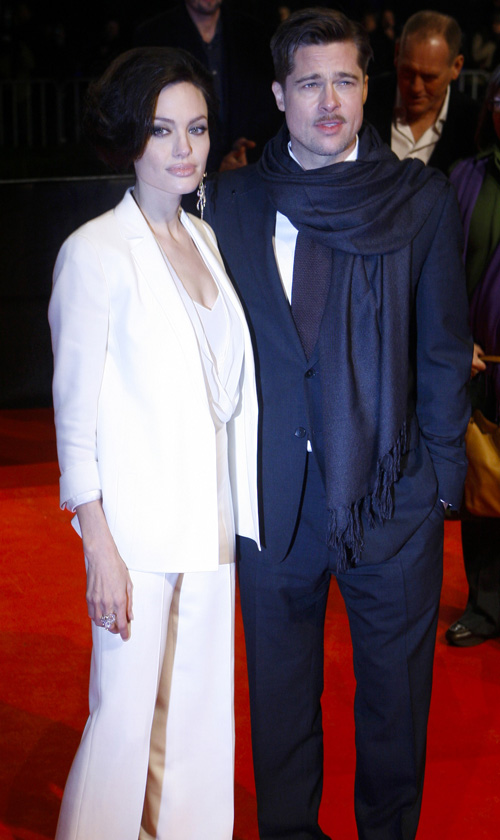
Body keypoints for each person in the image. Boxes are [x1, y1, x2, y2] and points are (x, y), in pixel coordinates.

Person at [204, 8, 472, 840]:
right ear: (279, 93)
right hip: (274, 502)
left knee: (395, 706)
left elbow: (443, 350)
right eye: (310, 83)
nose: (329, 101)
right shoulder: (231, 203)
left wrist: (439, 488)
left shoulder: (420, 201)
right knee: (281, 705)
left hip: (390, 495)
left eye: (345, 81)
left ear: (365, 89)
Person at [48, 46, 259, 840]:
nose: (184, 148)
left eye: (197, 129)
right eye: (163, 130)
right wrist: (97, 544)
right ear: (128, 137)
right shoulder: (94, 251)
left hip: (210, 523)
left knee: (199, 723)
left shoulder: (204, 239)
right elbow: (74, 419)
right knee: (124, 722)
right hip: (134, 535)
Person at [446, 65, 500, 647]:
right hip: (484, 364)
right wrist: (457, 342)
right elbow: (446, 276)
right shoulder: (466, 177)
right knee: (484, 485)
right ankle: (484, 606)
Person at [135, 1, 281, 171]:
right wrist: (215, 162)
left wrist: (247, 149)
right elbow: (145, 115)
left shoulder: (255, 32)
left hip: (249, 167)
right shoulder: (153, 36)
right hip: (179, 167)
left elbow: (267, 105)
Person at [364, 10, 479, 173]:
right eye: (407, 72)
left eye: (429, 77)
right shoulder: (364, 100)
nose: (416, 87)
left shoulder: (473, 124)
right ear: (397, 53)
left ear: (456, 66)